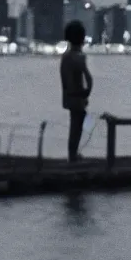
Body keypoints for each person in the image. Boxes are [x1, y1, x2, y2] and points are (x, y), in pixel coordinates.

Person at [59, 21, 93, 161]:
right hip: (76, 96)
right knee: (76, 125)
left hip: (71, 95)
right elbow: (87, 77)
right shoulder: (77, 57)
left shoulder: (66, 57)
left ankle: (73, 153)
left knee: (77, 122)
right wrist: (84, 92)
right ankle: (73, 155)